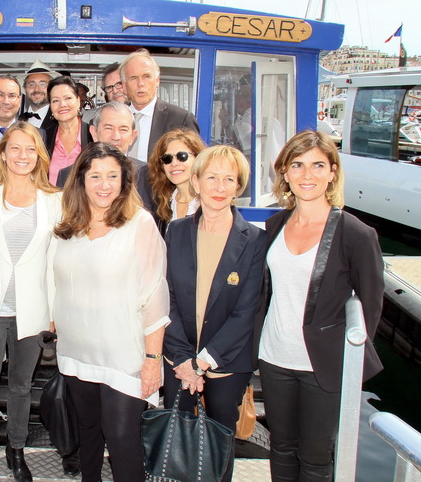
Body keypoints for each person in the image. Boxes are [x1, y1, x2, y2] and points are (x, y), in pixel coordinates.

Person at [255, 130, 384, 482]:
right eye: (297, 165)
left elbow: (370, 308)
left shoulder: (356, 234)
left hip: (322, 367)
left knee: (315, 459)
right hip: (273, 356)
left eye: (317, 165)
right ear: (284, 172)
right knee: (280, 448)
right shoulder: (275, 224)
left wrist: (347, 362)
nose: (307, 175)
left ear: (332, 172)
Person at [52, 142, 170, 482]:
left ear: (124, 181)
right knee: (87, 434)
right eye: (96, 176)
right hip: (76, 352)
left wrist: (152, 359)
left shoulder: (139, 224)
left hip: (123, 356)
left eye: (112, 176)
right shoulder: (67, 224)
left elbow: (155, 296)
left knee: (121, 439)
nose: (104, 185)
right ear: (81, 180)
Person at [163, 144, 268, 482]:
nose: (220, 188)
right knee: (177, 440)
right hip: (178, 358)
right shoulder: (176, 232)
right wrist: (182, 358)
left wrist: (203, 361)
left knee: (220, 444)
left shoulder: (254, 240)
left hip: (226, 361)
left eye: (229, 179)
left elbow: (246, 310)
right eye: (211, 178)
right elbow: (168, 299)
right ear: (195, 182)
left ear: (238, 187)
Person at [0, 122, 61, 482]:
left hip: (33, 311)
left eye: (30, 149)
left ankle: (16, 450)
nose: (22, 156)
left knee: (23, 387)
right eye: (15, 148)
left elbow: (57, 259)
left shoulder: (54, 199)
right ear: (3, 153)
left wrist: (53, 313)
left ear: (39, 154)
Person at [56, 101, 154, 214]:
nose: (116, 136)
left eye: (123, 129)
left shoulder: (148, 174)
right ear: (94, 133)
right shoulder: (68, 175)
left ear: (133, 136)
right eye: (108, 128)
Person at [119, 48, 199, 161]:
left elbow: (195, 163)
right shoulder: (115, 118)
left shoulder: (181, 119)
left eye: (146, 76)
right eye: (133, 78)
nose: (140, 84)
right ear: (124, 85)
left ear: (157, 81)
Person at [148, 128, 207, 234]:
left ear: (198, 158)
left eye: (182, 156)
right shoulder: (160, 204)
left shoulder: (210, 203)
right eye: (167, 159)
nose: (174, 163)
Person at [43, 76, 91, 185]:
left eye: (68, 98)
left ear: (78, 101)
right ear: (50, 106)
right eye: (55, 100)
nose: (62, 105)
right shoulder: (43, 137)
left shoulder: (93, 134)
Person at [18, 59, 58, 128]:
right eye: (31, 84)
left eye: (42, 84)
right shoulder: (17, 120)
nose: (36, 89)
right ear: (25, 89)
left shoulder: (59, 121)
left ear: (52, 88)